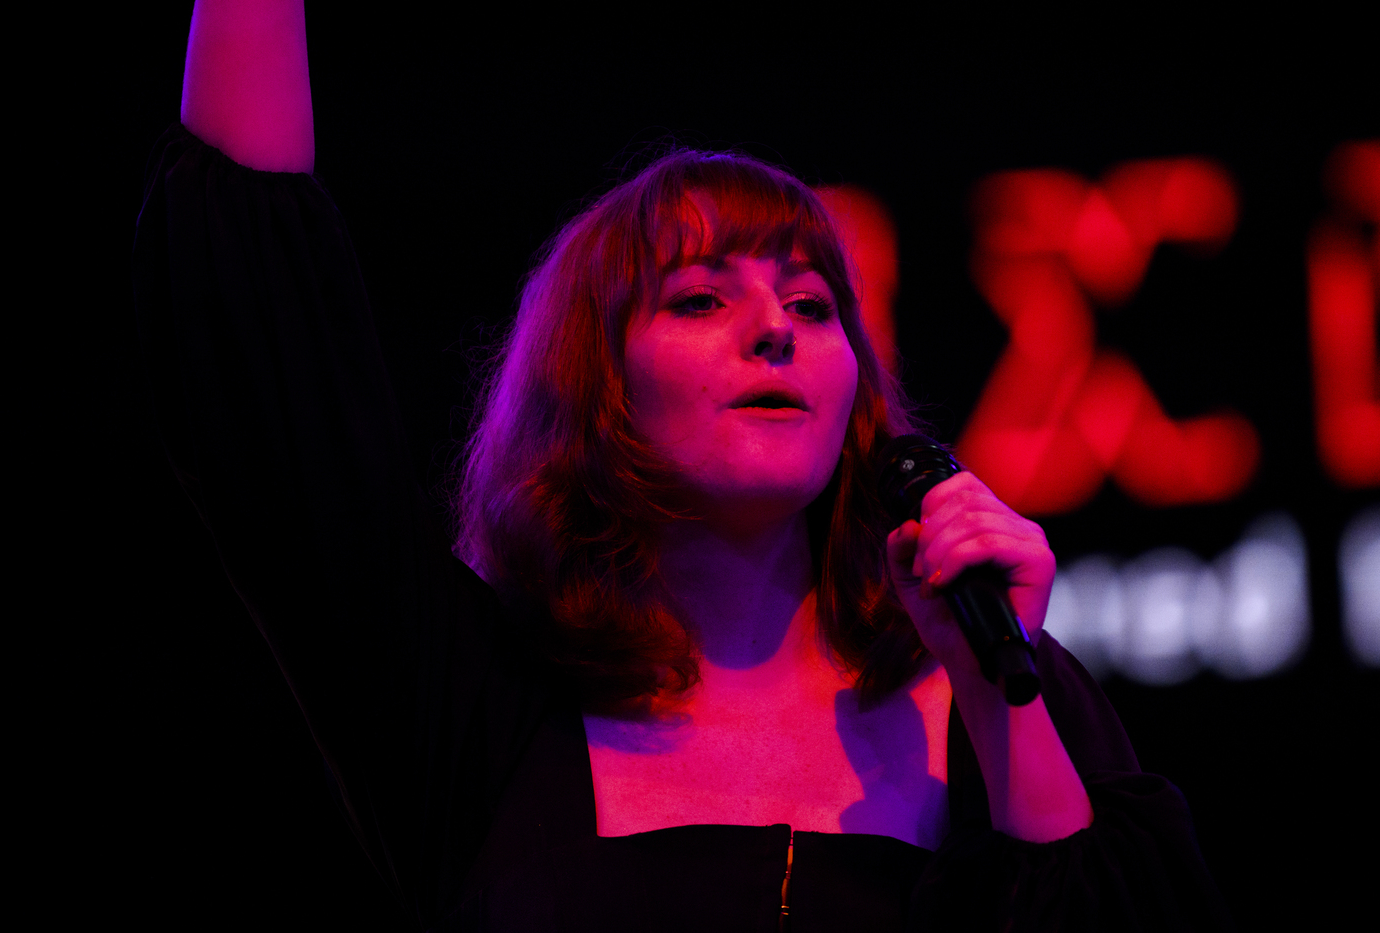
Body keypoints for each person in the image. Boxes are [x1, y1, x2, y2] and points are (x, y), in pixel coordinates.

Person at [134, 1, 1231, 929]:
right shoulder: (480, 692)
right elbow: (262, 316)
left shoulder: (973, 681)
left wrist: (1000, 693)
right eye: (701, 299)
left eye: (809, 304)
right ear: (595, 386)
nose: (775, 329)